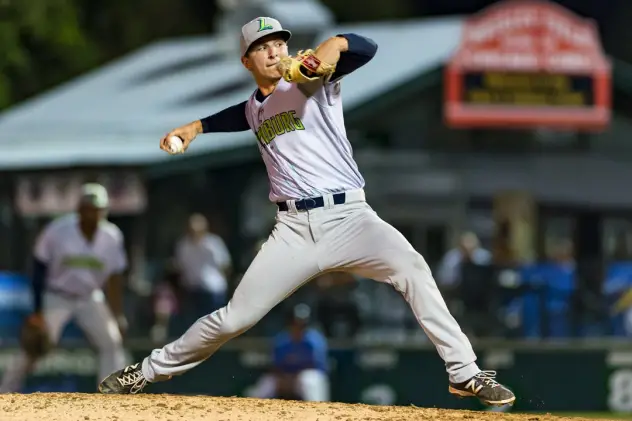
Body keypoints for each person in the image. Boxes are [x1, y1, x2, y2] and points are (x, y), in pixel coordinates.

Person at [98, 17, 515, 406]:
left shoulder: (312, 80)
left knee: (413, 268)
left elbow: (365, 49)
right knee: (233, 318)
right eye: (263, 47)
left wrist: (332, 45)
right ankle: (146, 371)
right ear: (247, 60)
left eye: (280, 42)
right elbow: (242, 114)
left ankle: (464, 372)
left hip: (352, 218)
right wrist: (195, 128)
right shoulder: (253, 108)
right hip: (294, 229)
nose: (275, 51)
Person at [0, 183, 128, 393]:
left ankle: (111, 395)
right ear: (79, 208)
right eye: (89, 207)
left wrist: (117, 312)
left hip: (90, 297)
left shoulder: (112, 236)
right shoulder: (58, 231)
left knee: (111, 342)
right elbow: (39, 268)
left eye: (98, 208)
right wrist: (38, 312)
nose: (94, 213)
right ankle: (5, 391)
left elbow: (115, 277)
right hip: (58, 296)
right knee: (36, 346)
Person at [246, 304, 329, 401]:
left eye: (303, 324)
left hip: (305, 378)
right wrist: (285, 379)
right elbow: (275, 366)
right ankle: (250, 411)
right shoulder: (282, 341)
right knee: (268, 382)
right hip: (285, 378)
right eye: (297, 323)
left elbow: (319, 367)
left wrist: (293, 378)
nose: (300, 327)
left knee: (308, 380)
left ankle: (318, 411)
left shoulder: (315, 341)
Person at [174, 213, 232, 321]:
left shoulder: (213, 243)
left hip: (213, 288)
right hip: (192, 288)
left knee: (213, 322)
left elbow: (225, 264)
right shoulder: (183, 245)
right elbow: (180, 265)